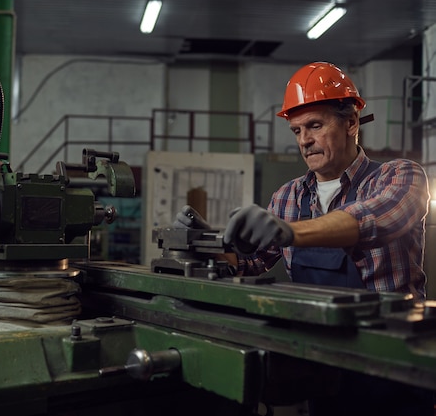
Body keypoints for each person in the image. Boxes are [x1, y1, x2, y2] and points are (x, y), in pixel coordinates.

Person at [175, 61, 433, 416]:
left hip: (393, 366)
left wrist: (291, 232)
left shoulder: (399, 175)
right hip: (320, 361)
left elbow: (376, 218)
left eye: (315, 125)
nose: (305, 140)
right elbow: (250, 263)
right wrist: (210, 247)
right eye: (297, 130)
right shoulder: (287, 196)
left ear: (351, 123)